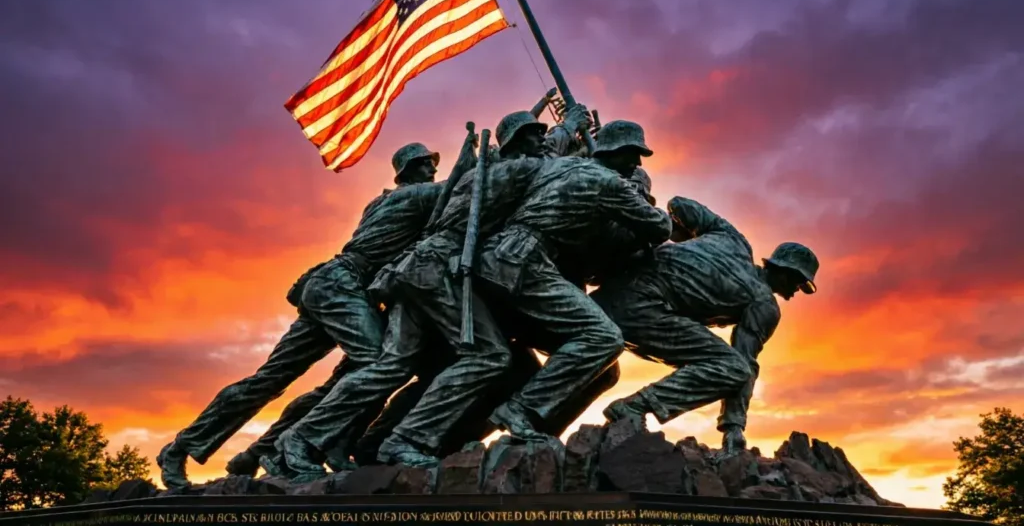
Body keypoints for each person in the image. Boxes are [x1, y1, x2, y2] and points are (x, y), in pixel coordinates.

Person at [265, 105, 594, 477]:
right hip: (436, 271)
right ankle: (409, 440)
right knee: (489, 355)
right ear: (518, 142)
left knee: (392, 365)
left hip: (415, 271)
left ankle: (300, 440)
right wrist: (569, 128)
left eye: (542, 133)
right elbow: (552, 163)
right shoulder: (514, 168)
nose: (540, 139)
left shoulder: (486, 171)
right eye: (534, 134)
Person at [156, 143, 447, 488]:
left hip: (332, 285)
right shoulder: (414, 196)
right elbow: (465, 186)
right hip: (343, 284)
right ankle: (189, 449)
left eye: (432, 164)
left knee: (290, 377)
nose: (431, 169)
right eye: (424, 164)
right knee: (376, 365)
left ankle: (284, 448)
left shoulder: (383, 200)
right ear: (409, 171)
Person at [475, 120, 673, 441]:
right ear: (615, 151)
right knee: (605, 338)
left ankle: (537, 434)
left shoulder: (561, 165)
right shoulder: (610, 183)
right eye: (633, 155)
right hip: (523, 264)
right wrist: (641, 192)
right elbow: (659, 228)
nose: (636, 163)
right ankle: (521, 410)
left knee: (605, 371)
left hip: (502, 260)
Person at [590, 197, 819, 455]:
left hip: (604, 297)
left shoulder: (733, 239)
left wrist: (682, 242)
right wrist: (734, 426)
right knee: (733, 368)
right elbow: (743, 365)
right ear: (785, 273)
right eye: (799, 282)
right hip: (639, 310)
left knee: (606, 376)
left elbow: (679, 204)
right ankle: (634, 407)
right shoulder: (763, 303)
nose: (797, 290)